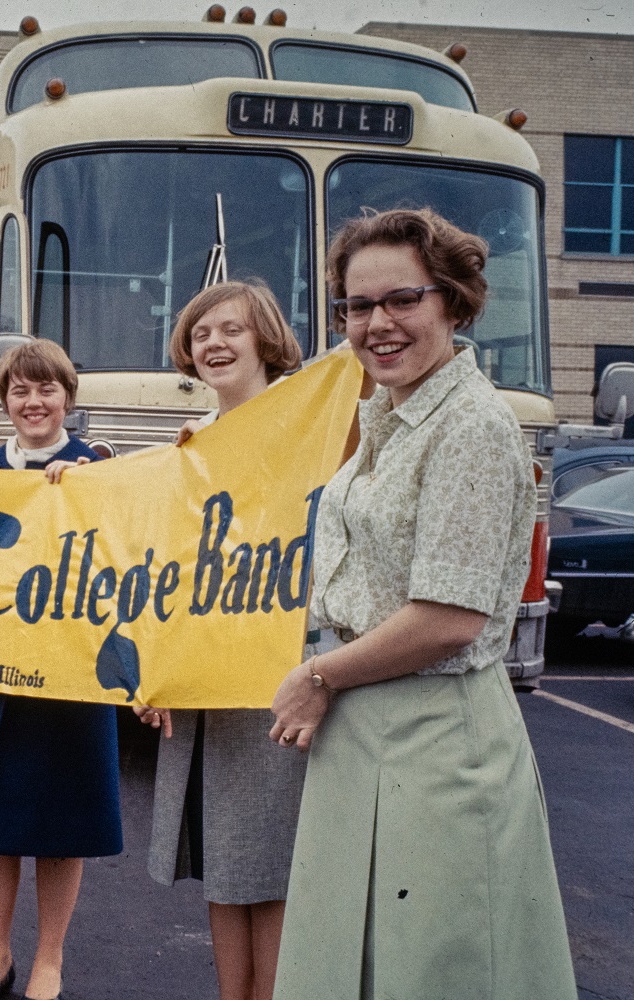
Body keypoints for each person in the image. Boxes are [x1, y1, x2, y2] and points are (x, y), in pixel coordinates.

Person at [268, 208, 577, 998]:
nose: (377, 324)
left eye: (401, 300)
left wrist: (319, 676)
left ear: (454, 302)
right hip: (371, 738)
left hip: (434, 742)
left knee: (432, 970)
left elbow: (449, 618)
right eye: (357, 306)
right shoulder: (390, 417)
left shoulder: (469, 424)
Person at [0, 339, 122, 1000]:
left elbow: (135, 566)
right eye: (20, 391)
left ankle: (49, 958)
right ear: (3, 401)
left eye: (46, 390)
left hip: (73, 676)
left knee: (61, 823)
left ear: (67, 396)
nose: (34, 402)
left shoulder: (100, 470)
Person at [131, 282, 306, 1000]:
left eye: (231, 329)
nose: (214, 343)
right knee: (226, 865)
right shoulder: (188, 443)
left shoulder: (310, 425)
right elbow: (155, 561)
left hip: (282, 675)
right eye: (201, 333)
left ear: (266, 338)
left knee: (274, 865)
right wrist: (154, 672)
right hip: (206, 680)